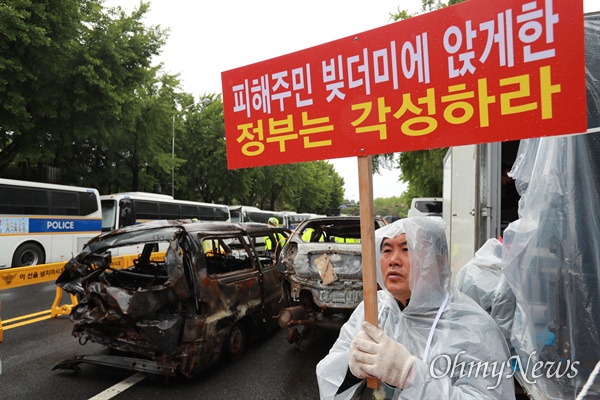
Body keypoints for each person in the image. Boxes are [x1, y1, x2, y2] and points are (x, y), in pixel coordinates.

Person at [316, 217, 515, 399]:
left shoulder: (472, 328)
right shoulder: (373, 310)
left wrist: (410, 374)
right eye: (386, 250)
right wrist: (351, 369)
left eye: (407, 249)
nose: (393, 259)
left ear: (440, 260)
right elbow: (328, 374)